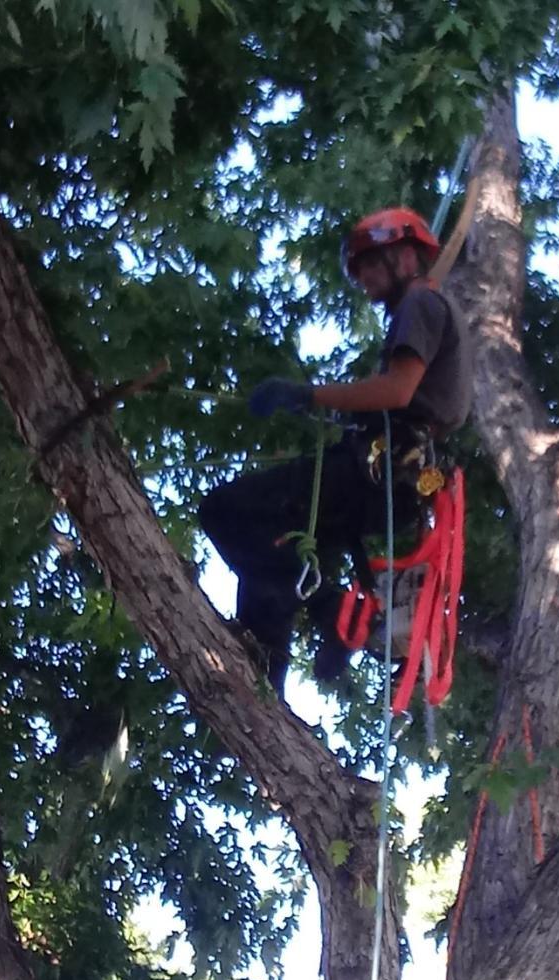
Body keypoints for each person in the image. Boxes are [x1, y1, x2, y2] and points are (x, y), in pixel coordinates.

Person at [199, 207, 471, 693]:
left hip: (378, 475)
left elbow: (397, 392)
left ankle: (333, 609)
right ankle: (262, 686)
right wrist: (327, 410)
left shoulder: (421, 304)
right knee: (275, 556)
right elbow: (396, 403)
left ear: (406, 256)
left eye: (370, 264)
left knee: (224, 510)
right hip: (388, 479)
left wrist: (308, 395)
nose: (364, 280)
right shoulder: (421, 311)